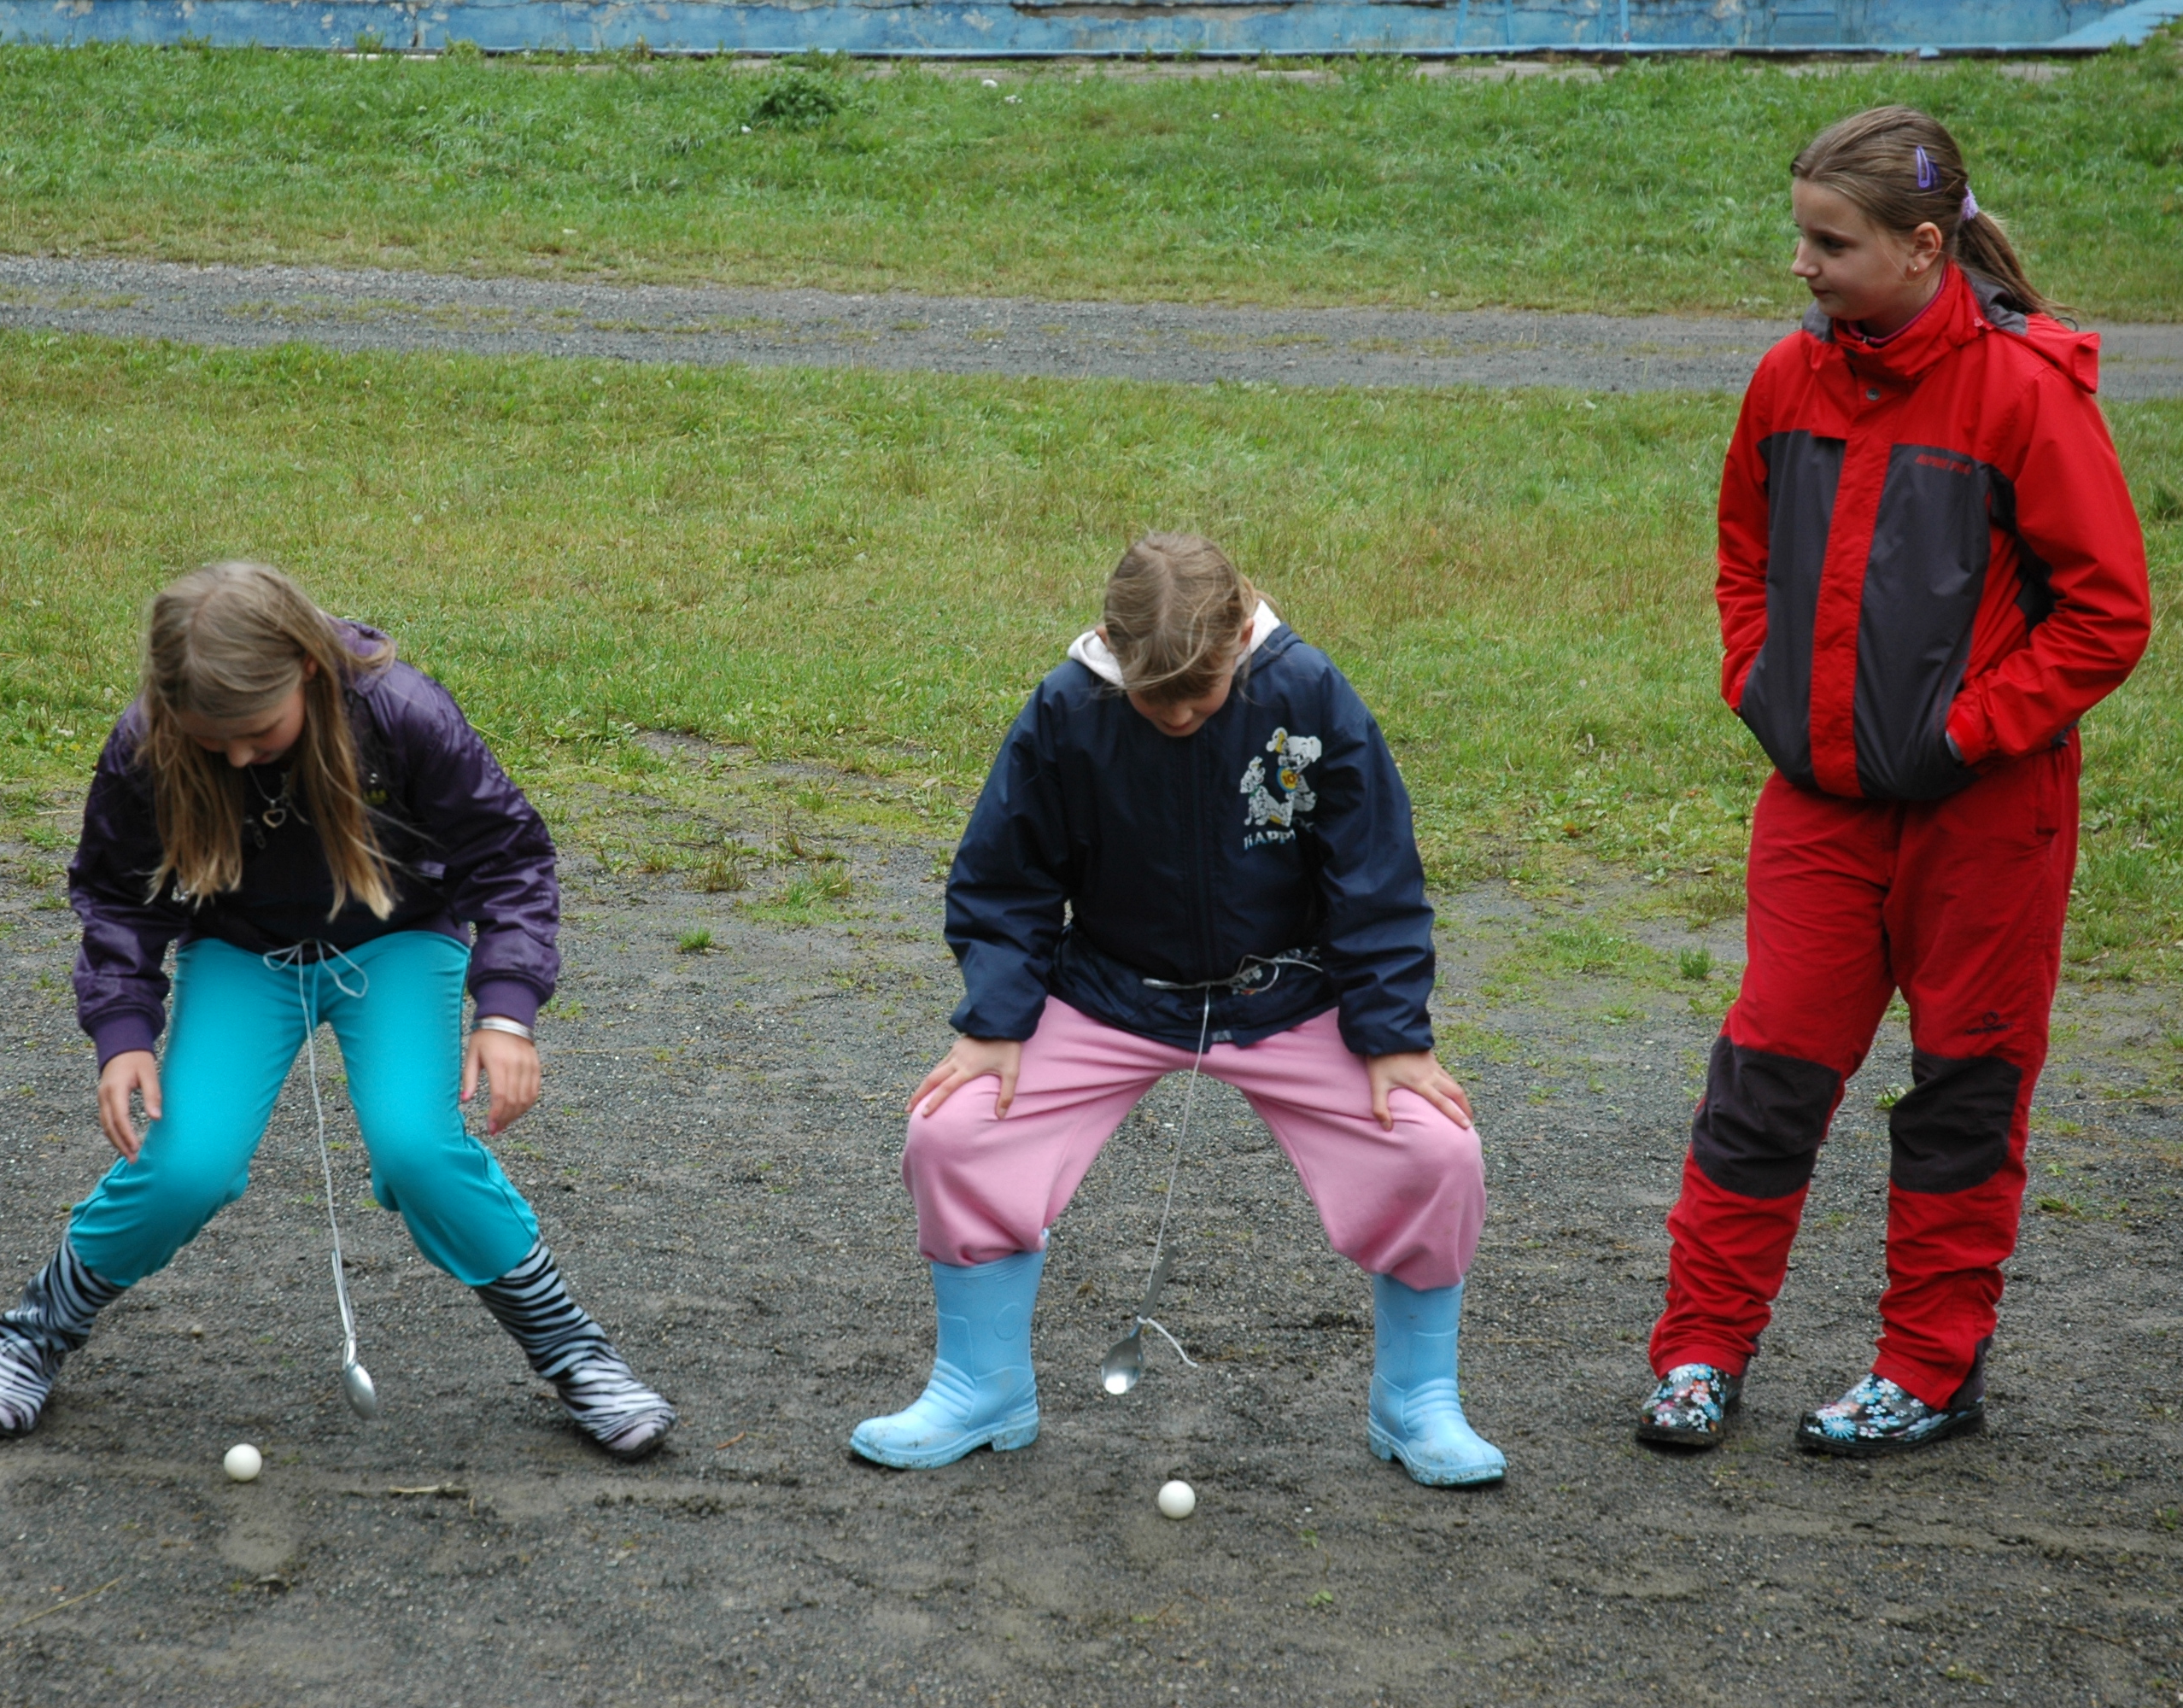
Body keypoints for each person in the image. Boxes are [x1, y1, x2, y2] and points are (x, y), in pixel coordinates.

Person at [1638, 107, 2151, 1458]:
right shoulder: (1785, 379)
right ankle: (1699, 1351)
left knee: (1962, 1096)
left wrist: (1966, 734)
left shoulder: (2026, 392)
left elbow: (2108, 614)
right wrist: (1761, 681)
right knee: (1763, 1082)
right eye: (1802, 237)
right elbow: (1743, 553)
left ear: (1924, 248)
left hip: (1988, 823)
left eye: (1831, 243)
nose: (1801, 265)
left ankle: (1930, 1369)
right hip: (1820, 811)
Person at [0, 561, 674, 1460]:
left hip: (397, 940)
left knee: (419, 1151)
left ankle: (576, 1353)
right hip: (242, 954)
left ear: (304, 667)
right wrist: (123, 1031)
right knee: (183, 1166)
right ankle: (33, 1335)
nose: (237, 759)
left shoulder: (402, 712)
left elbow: (510, 858)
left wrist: (506, 1013)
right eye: (212, 742)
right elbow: (118, 895)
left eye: (257, 733)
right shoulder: (149, 743)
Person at [849, 533, 1502, 1489]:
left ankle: (1417, 1401)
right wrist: (994, 1021)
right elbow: (1005, 878)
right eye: (1156, 699)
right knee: (953, 1133)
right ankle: (979, 1387)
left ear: (1241, 637)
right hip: (1111, 992)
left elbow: (1374, 874)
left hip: (1287, 993)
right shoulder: (1066, 710)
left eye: (1203, 693)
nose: (1182, 714)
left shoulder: (1308, 694)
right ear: (1114, 650)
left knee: (1433, 1150)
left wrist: (1393, 1034)